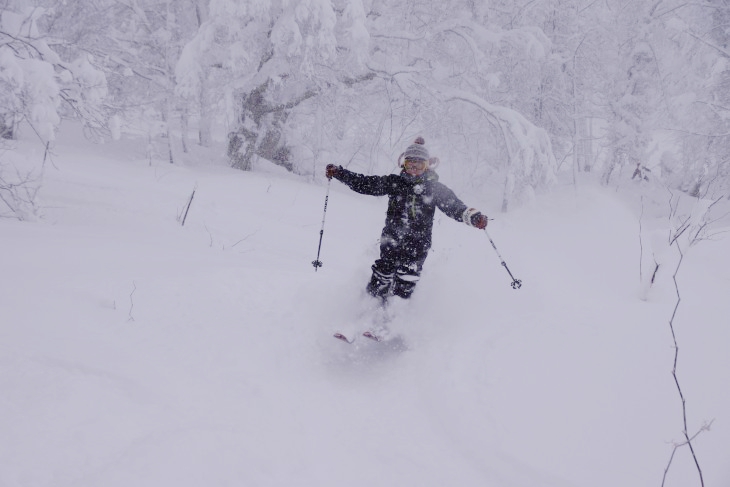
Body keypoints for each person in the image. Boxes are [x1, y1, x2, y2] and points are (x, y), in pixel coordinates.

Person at [326, 136, 488, 302]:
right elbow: (366, 183)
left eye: (419, 164)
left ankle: (397, 316)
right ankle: (368, 310)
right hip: (391, 239)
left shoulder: (434, 189)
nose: (414, 168)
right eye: (410, 163)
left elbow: (455, 206)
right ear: (403, 163)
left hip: (418, 243)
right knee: (382, 273)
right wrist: (340, 173)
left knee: (407, 278)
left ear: (427, 166)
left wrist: (473, 217)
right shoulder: (394, 182)